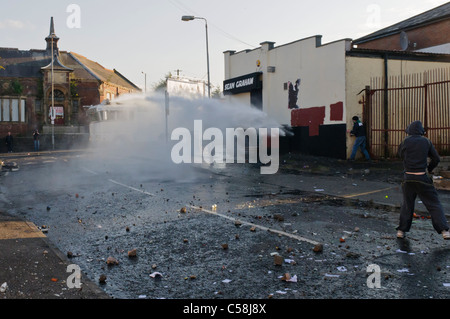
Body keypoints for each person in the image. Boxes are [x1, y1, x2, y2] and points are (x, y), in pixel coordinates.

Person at [396, 120, 450, 240]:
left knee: (407, 204)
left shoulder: (405, 141)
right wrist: (429, 169)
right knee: (434, 204)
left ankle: (401, 231)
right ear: (421, 131)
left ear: (409, 130)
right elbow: (436, 159)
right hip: (422, 176)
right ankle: (444, 231)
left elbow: (399, 154)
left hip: (408, 178)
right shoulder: (426, 141)